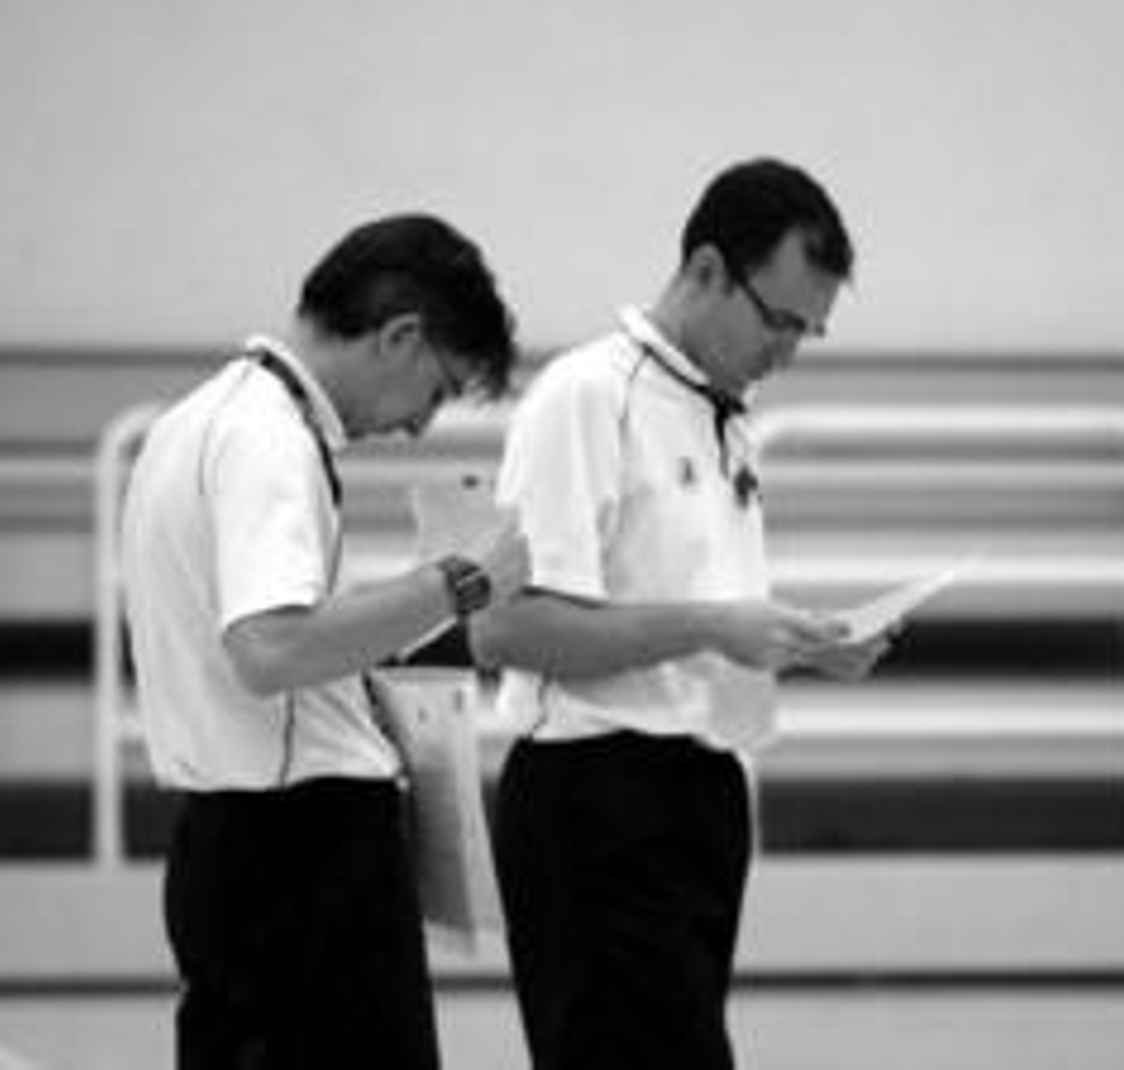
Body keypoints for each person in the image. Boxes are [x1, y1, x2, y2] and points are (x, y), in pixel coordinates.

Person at [473, 157, 891, 1069]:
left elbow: (699, 611)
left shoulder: (723, 411)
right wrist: (711, 626)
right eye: (779, 321)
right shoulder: (590, 395)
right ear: (706, 270)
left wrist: (796, 642)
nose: (787, 351)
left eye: (807, 333)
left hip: (702, 794)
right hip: (594, 797)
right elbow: (505, 628)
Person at [121, 213, 527, 1070]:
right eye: (440, 389)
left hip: (232, 847)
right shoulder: (269, 440)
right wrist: (458, 583)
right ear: (401, 335)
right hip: (301, 860)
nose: (422, 425)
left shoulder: (190, 422)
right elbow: (270, 649)